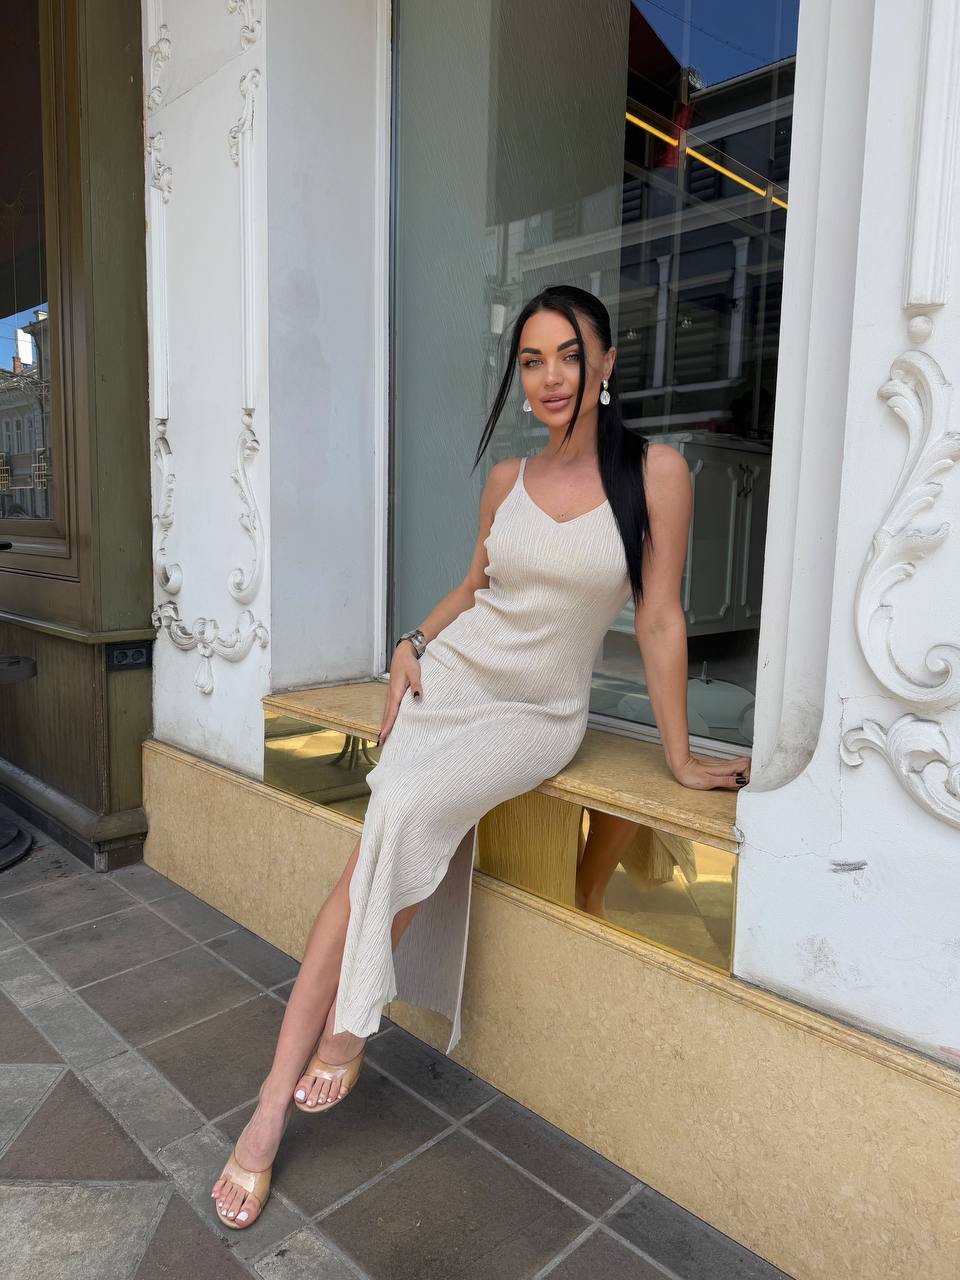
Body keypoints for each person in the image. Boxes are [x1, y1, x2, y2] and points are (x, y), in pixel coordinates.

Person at [211, 284, 752, 1228]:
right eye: (531, 360)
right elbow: (473, 588)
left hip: (538, 713)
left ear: (607, 363)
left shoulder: (657, 475)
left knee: (404, 814)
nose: (549, 378)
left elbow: (660, 619)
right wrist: (410, 643)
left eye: (568, 356)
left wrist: (679, 759)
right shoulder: (505, 479)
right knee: (373, 847)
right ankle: (272, 1102)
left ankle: (348, 1026)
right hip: (452, 681)